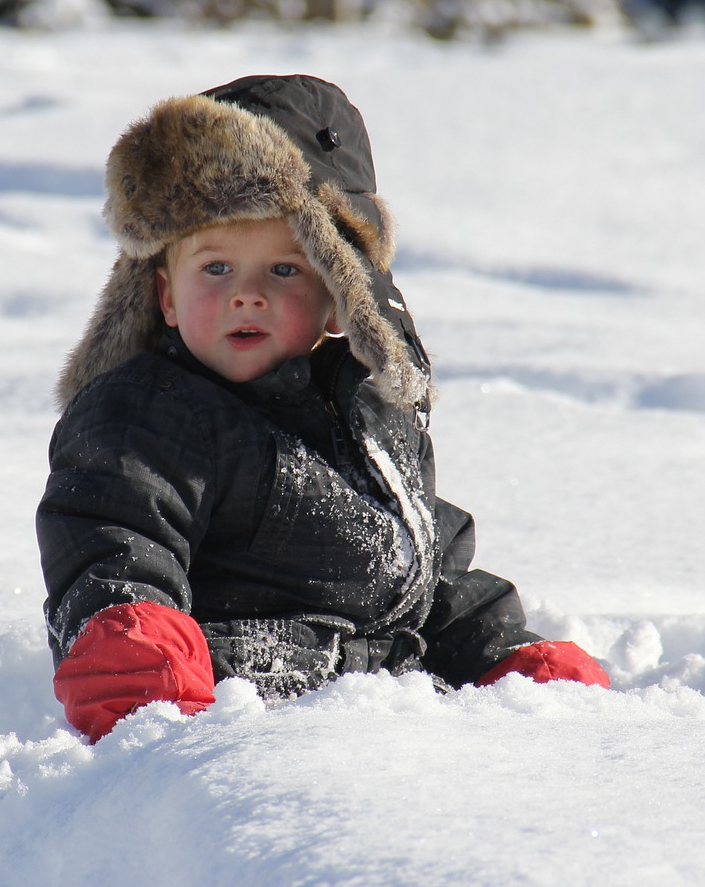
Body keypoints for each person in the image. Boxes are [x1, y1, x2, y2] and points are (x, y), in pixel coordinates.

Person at [37, 74, 609, 742]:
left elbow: (427, 584)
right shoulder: (147, 416)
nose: (246, 295)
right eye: (216, 268)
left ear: (342, 292)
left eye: (284, 270)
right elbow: (114, 543)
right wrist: (136, 655)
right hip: (237, 723)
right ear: (165, 296)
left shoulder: (373, 416)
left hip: (385, 723)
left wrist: (505, 662)